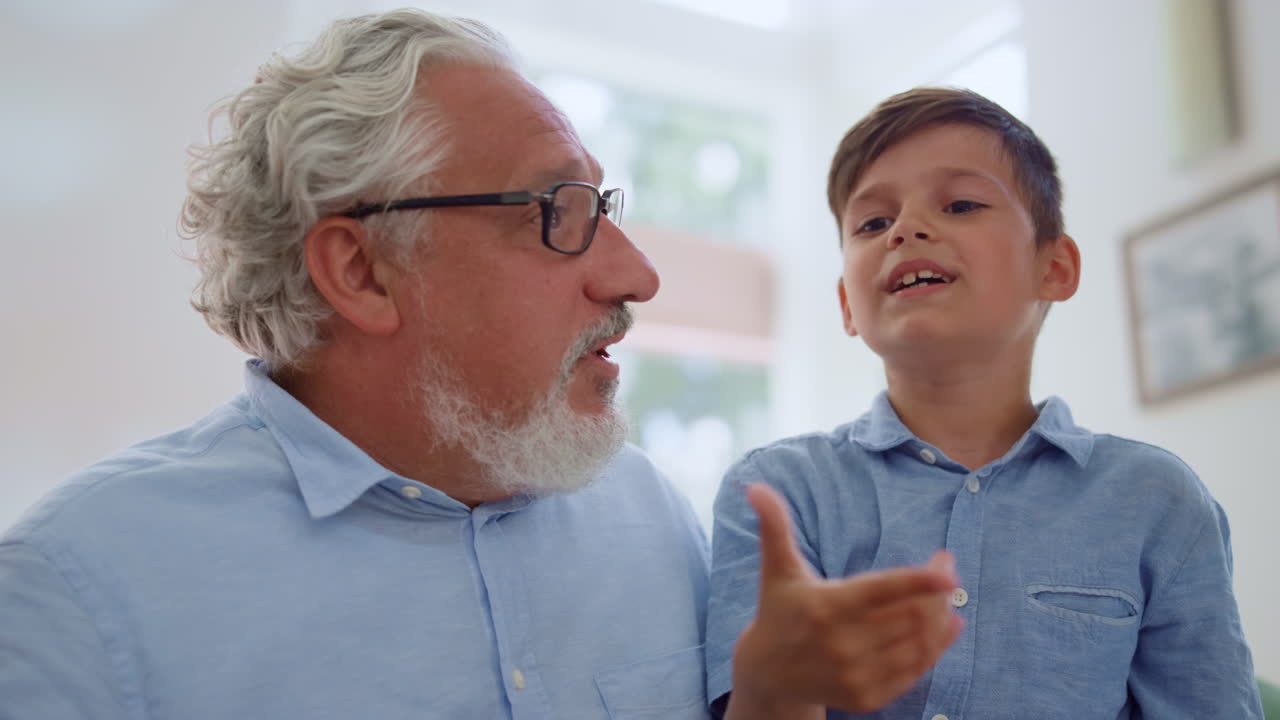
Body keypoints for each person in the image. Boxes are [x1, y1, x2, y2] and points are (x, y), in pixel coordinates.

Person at [0, 10, 959, 719]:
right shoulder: (74, 598)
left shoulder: (649, 513)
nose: (637, 273)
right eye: (559, 211)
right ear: (363, 270)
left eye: (605, 207)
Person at [706, 87, 1265, 719]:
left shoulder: (1158, 500)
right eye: (872, 223)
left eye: (961, 204)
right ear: (846, 307)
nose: (906, 230)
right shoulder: (777, 493)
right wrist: (775, 686)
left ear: (1053, 268)